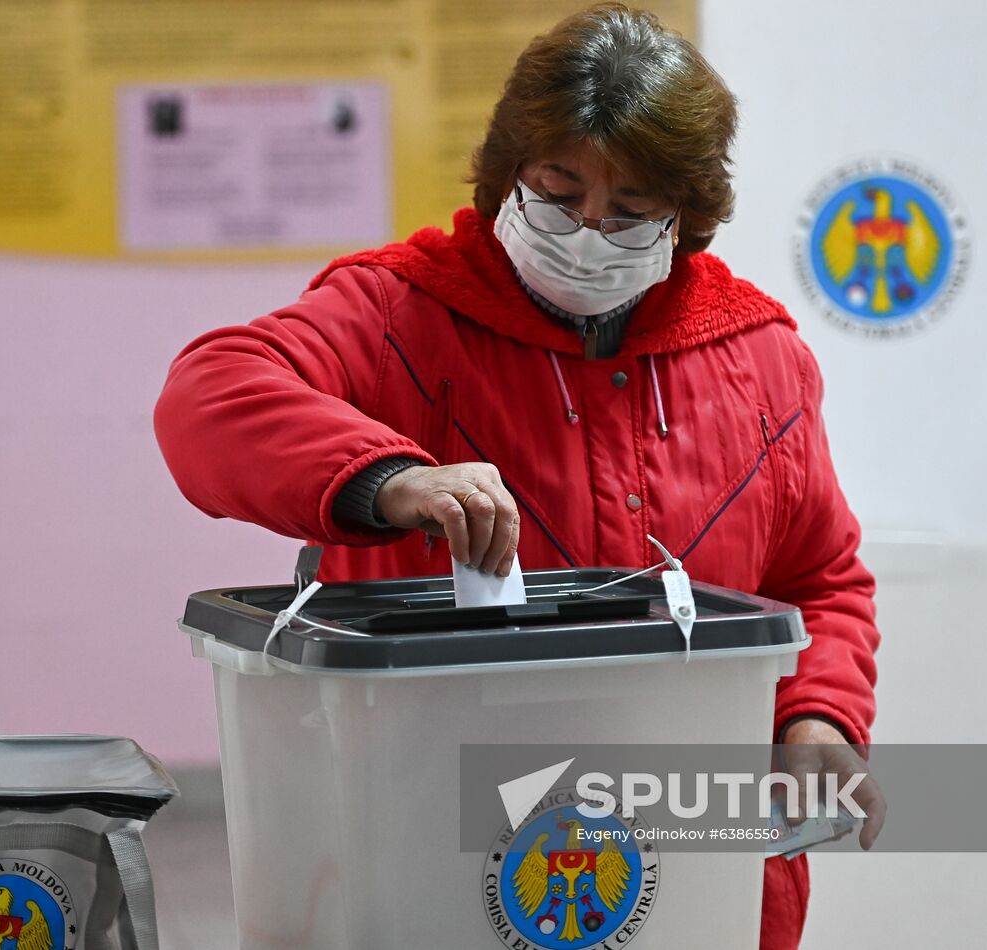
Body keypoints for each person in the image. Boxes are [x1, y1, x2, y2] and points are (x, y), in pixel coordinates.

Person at [154, 4, 883, 947]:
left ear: (688, 216)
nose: (587, 232)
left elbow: (817, 581)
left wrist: (818, 716)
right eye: (558, 191)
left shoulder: (759, 357)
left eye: (629, 214)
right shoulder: (400, 313)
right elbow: (208, 396)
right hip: (437, 851)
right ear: (506, 174)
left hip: (693, 866)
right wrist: (387, 478)